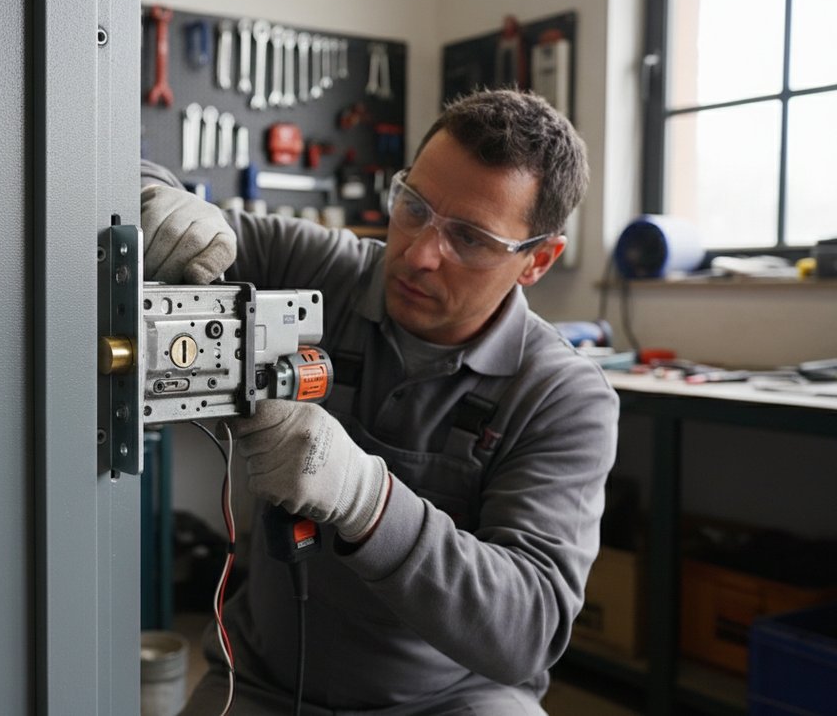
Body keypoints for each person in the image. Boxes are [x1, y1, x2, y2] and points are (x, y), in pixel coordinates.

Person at [140, 89, 620, 715]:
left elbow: (527, 630)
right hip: (261, 683)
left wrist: (367, 500)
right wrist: (155, 199)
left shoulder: (564, 396)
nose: (419, 254)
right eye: (413, 207)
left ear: (538, 260)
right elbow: (122, 175)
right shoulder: (320, 268)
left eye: (470, 239)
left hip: (451, 700)